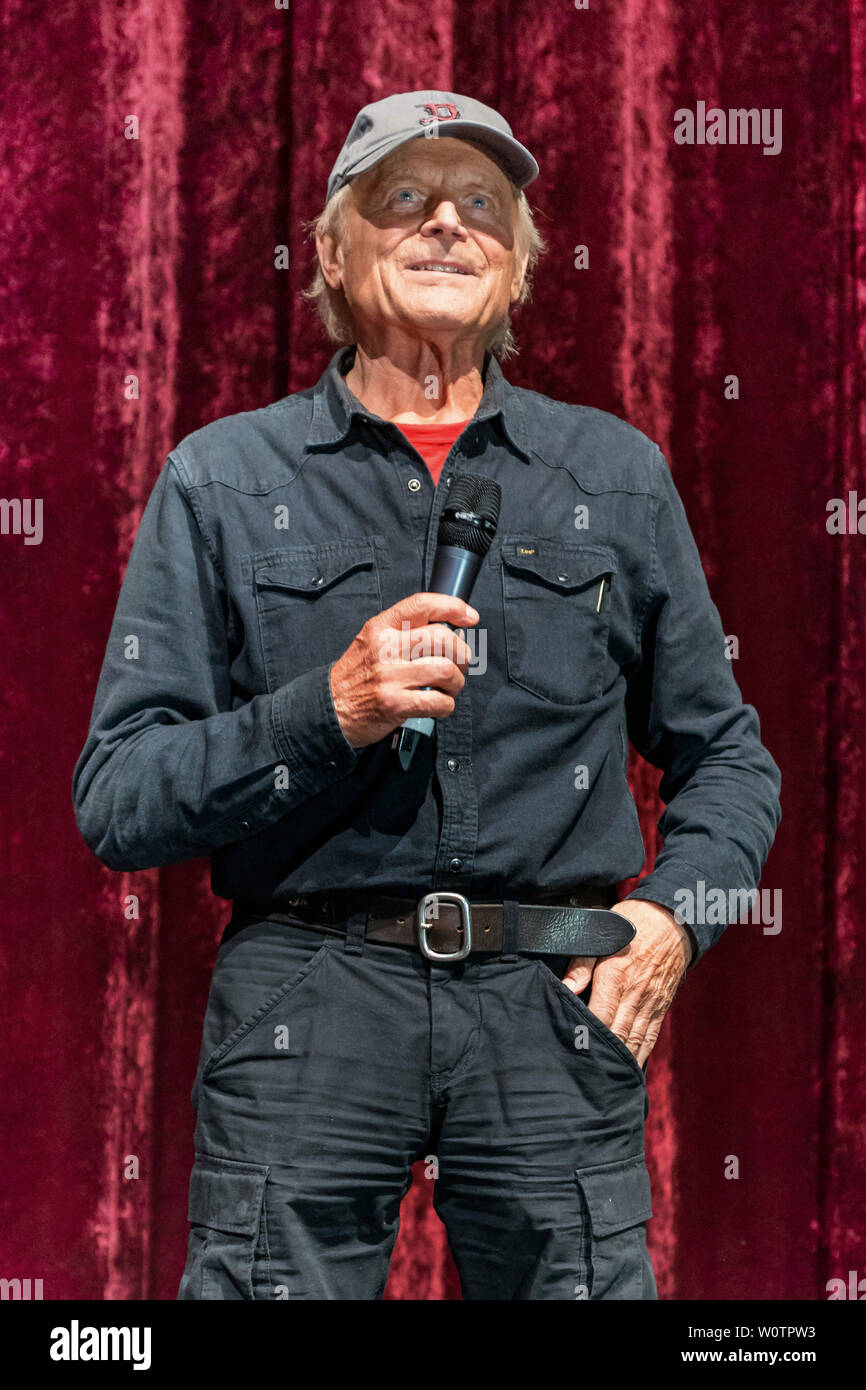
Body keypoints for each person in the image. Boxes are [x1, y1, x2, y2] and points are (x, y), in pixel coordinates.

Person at [72, 90, 782, 1300]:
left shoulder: (611, 473)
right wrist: (327, 708)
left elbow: (728, 755)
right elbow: (119, 796)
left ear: (515, 270)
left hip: (550, 994)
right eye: (404, 198)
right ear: (333, 255)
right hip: (306, 994)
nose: (444, 223)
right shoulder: (222, 478)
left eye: (480, 206)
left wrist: (672, 918)